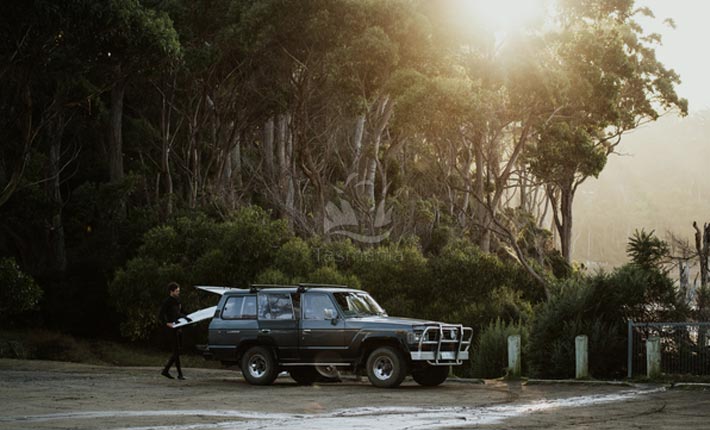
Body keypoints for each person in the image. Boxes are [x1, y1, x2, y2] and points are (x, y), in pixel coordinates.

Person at [158, 282, 188, 380]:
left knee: (178, 350)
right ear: (171, 291)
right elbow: (161, 315)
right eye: (177, 291)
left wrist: (188, 317)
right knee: (176, 351)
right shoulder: (167, 301)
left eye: (179, 291)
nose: (178, 292)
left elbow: (179, 313)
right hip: (170, 328)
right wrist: (167, 323)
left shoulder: (177, 301)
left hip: (177, 327)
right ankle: (179, 374)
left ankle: (166, 371)